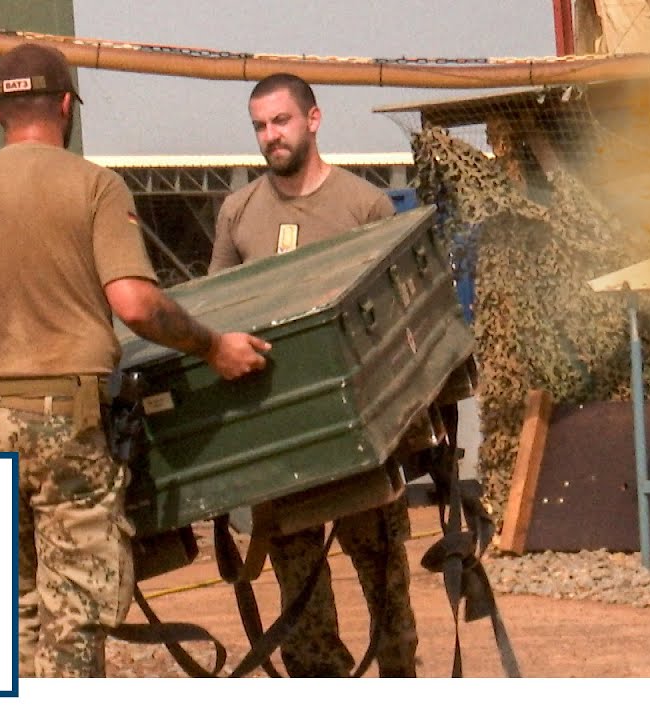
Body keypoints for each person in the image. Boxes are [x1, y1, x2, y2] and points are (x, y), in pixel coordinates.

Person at [0, 43, 270, 678]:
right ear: (67, 106)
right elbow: (134, 304)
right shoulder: (94, 186)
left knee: (10, 609)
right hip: (64, 423)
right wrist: (214, 346)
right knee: (73, 612)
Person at [209, 73, 417, 677]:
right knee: (301, 609)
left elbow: (396, 319)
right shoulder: (237, 212)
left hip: (359, 438)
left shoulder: (364, 206)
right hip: (281, 445)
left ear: (313, 119)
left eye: (281, 121)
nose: (270, 136)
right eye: (260, 126)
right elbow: (212, 316)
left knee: (387, 593)